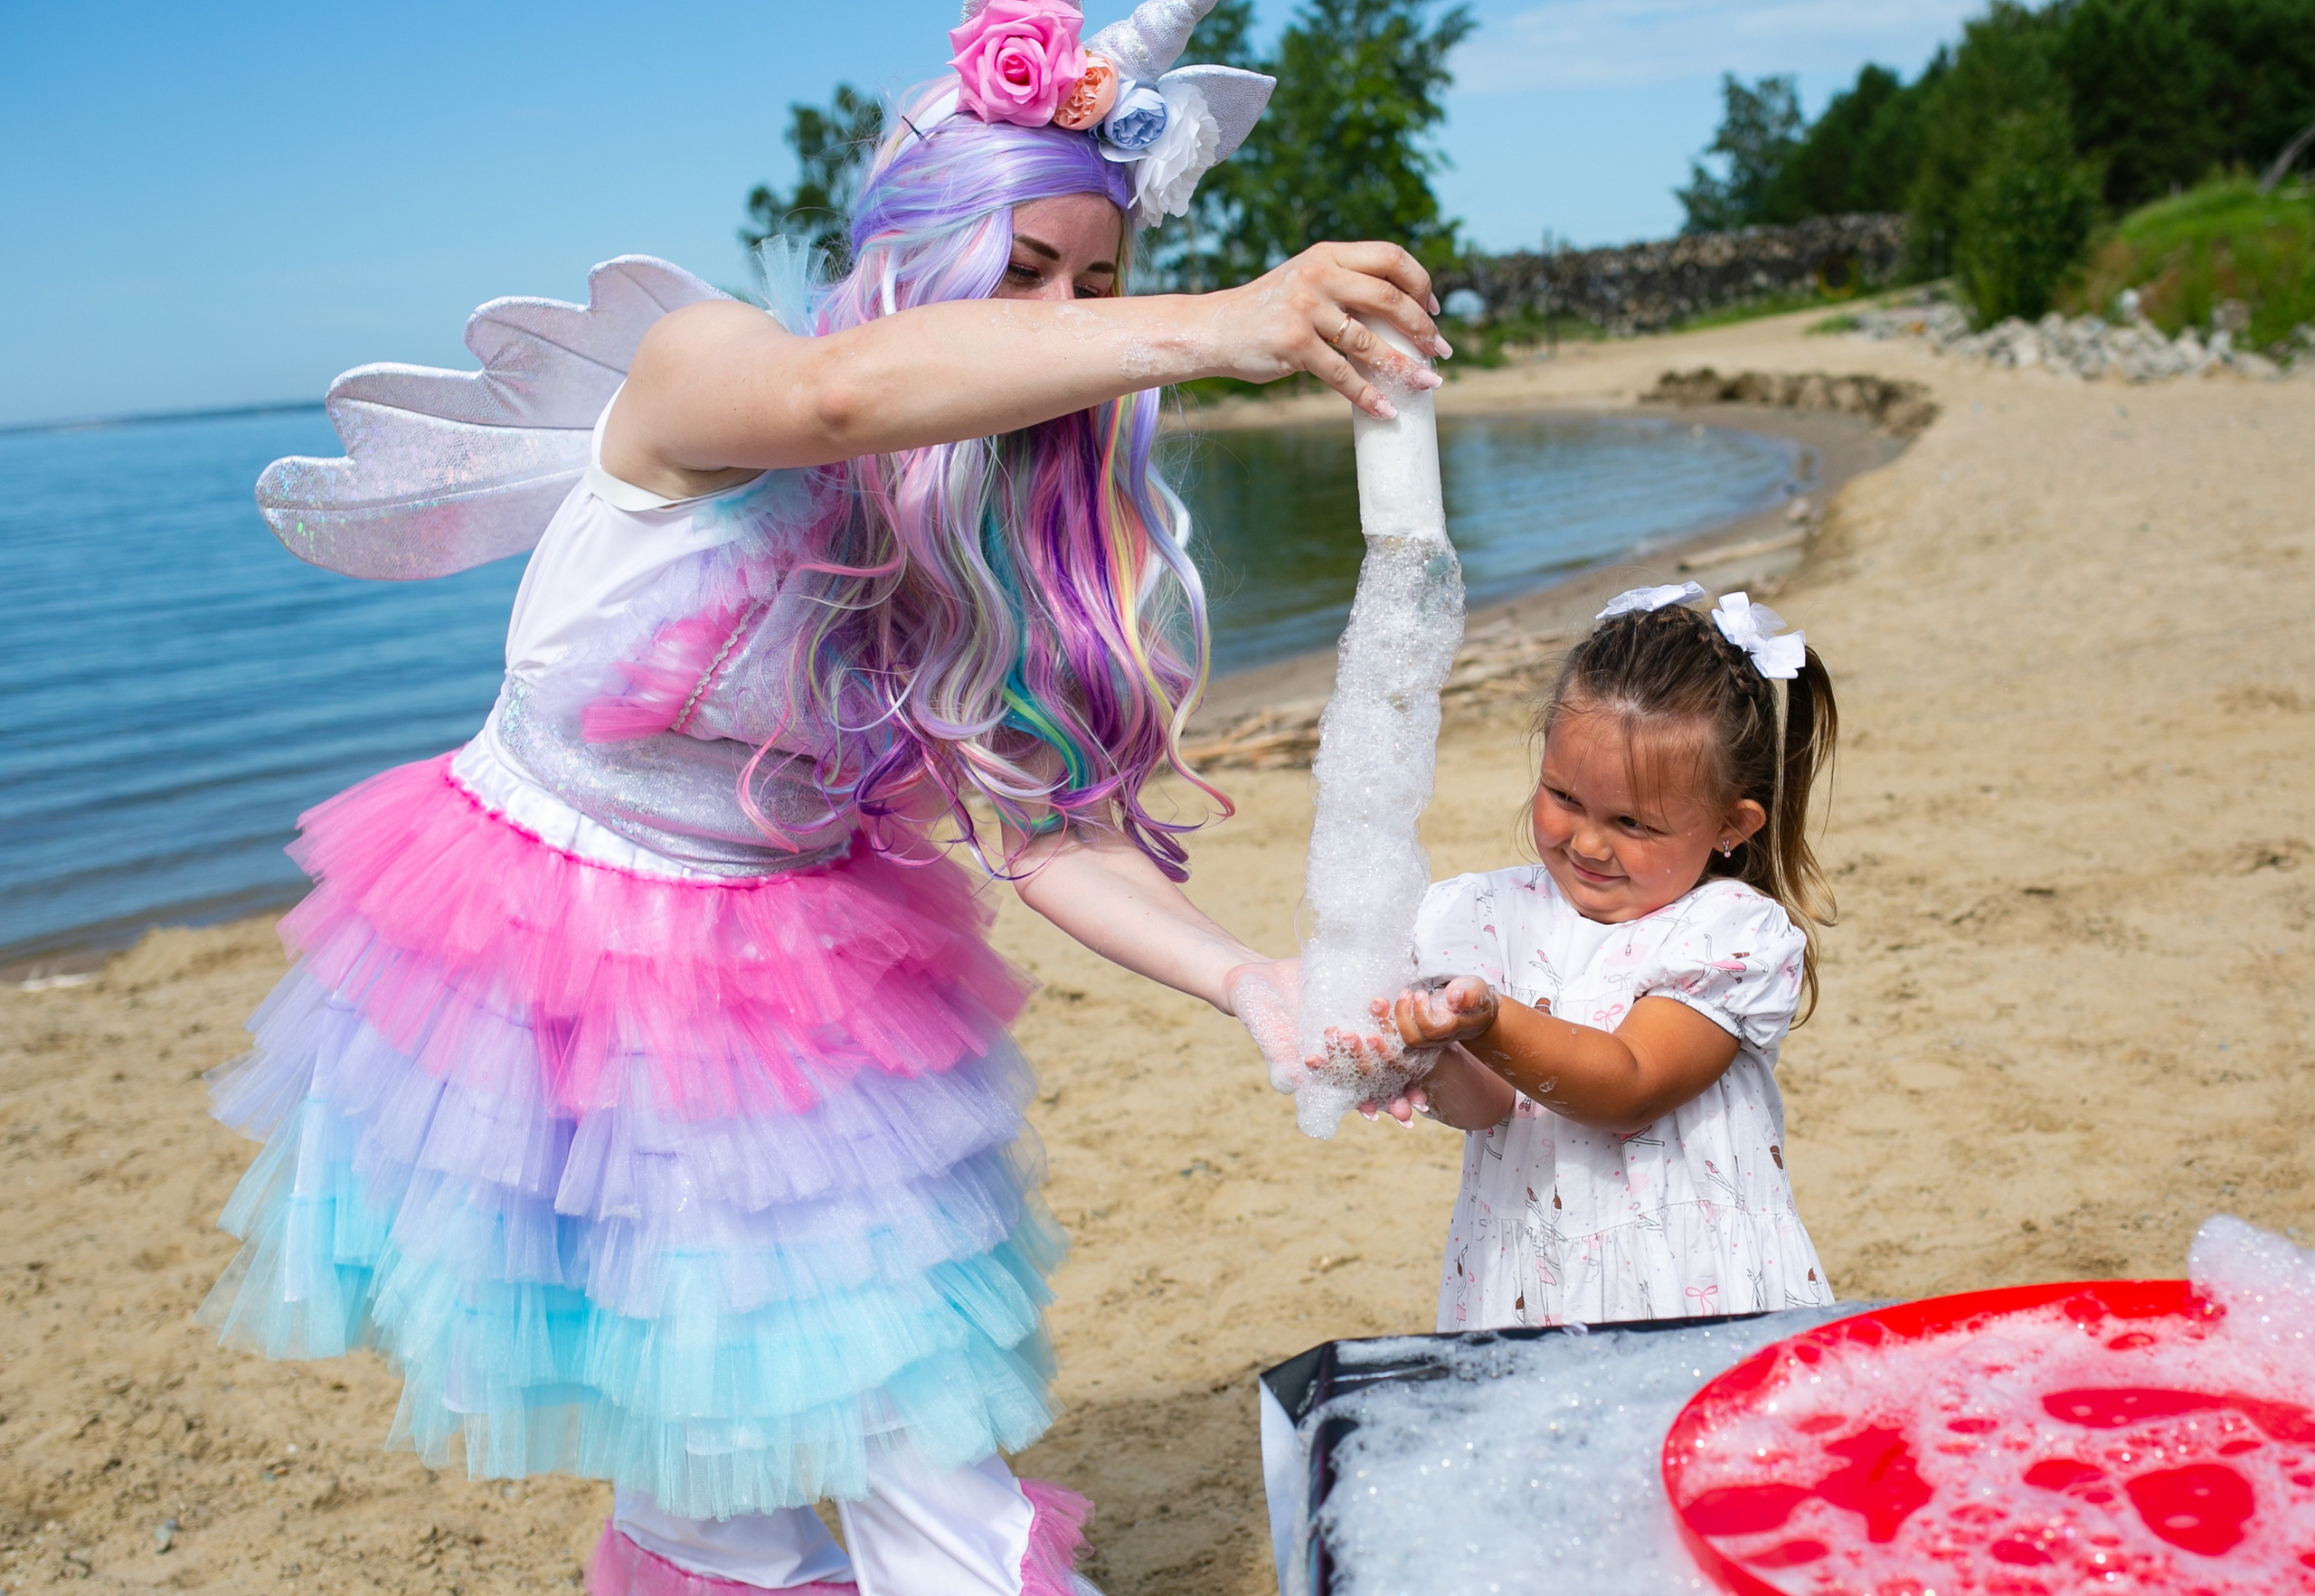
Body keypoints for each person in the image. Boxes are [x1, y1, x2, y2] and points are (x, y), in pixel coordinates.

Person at [200, 3, 1446, 1592]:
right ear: (917, 250)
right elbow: (848, 401)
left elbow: (1042, 838)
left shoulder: (980, 530)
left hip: (790, 975)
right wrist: (1219, 320)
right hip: (543, 959)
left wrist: (1248, 980)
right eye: (1023, 269)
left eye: (1098, 282)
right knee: (707, 1468)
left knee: (912, 1439)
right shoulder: (711, 369)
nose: (1065, 316)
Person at [1324, 582, 1840, 1329]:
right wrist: (1431, 1050)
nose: (1588, 842)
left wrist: (1488, 1022)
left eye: (1632, 821)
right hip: (1529, 1277)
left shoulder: (1726, 932)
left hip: (1690, 1281)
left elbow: (1628, 1084)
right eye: (1564, 796)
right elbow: (1490, 1107)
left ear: (1732, 824)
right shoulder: (1485, 914)